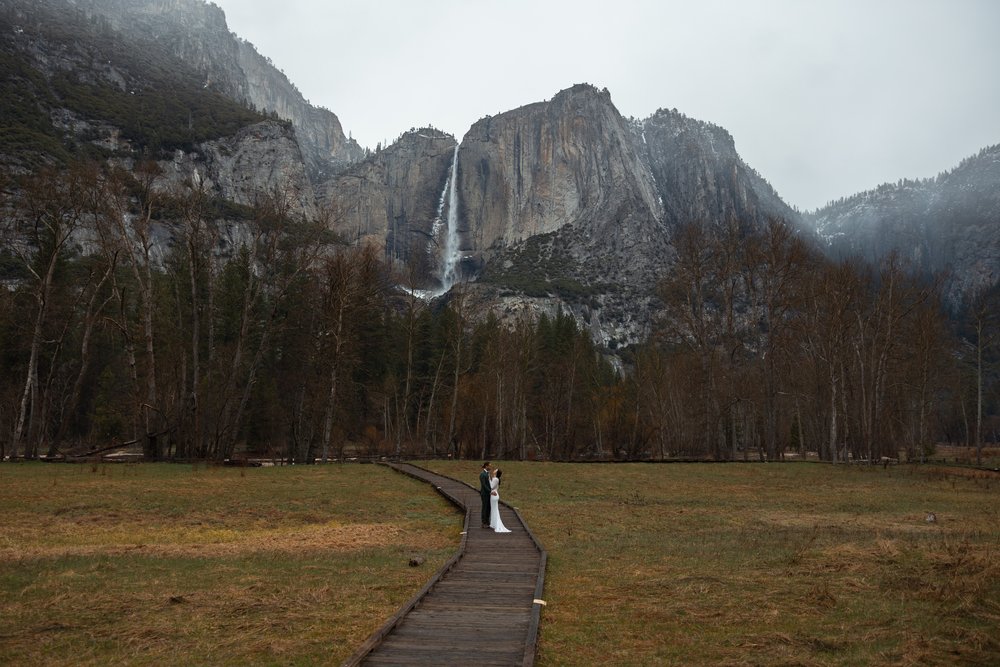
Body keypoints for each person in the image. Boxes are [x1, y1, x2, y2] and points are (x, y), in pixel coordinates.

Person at [489, 467, 511, 533]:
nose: (494, 470)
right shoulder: (496, 479)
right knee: (494, 509)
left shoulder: (495, 479)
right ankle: (493, 523)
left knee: (494, 509)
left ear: (497, 472)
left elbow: (491, 486)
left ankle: (496, 524)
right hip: (494, 494)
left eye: (496, 470)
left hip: (494, 495)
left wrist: (489, 479)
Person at [479, 461, 492, 528]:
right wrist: (490, 491)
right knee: (485, 507)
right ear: (486, 466)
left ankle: (487, 521)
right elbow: (484, 485)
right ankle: (483, 522)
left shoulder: (488, 474)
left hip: (489, 494)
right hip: (484, 494)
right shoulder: (482, 474)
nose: (490, 467)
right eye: (489, 466)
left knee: (488, 507)